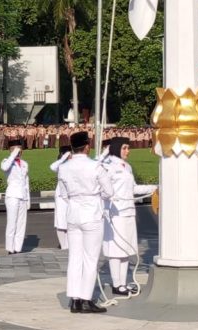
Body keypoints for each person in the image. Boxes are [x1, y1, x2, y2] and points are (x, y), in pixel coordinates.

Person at [56, 130, 114, 313]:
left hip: (73, 213)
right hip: (91, 214)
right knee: (90, 259)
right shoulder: (95, 166)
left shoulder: (64, 167)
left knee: (75, 258)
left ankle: (74, 299)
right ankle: (86, 298)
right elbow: (109, 192)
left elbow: (64, 195)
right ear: (87, 147)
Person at [101, 138, 156, 296]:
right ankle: (116, 283)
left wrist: (155, 187)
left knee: (126, 249)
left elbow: (133, 188)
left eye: (128, 148)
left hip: (128, 211)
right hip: (115, 213)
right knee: (115, 249)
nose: (127, 151)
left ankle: (123, 283)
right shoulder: (107, 166)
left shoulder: (128, 167)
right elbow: (100, 186)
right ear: (117, 148)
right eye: (124, 148)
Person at [0, 140, 30, 254]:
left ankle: (18, 247)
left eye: (19, 149)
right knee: (12, 222)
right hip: (12, 195)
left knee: (21, 223)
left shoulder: (24, 163)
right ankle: (10, 247)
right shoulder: (6, 161)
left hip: (22, 195)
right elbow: (4, 168)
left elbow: (26, 182)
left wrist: (28, 199)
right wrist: (13, 154)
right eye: (15, 149)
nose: (18, 151)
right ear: (10, 150)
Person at [49, 145, 72, 249]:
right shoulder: (60, 165)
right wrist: (63, 158)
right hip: (61, 196)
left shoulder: (73, 164)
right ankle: (63, 245)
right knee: (61, 220)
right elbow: (52, 167)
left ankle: (68, 244)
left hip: (72, 195)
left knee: (70, 221)